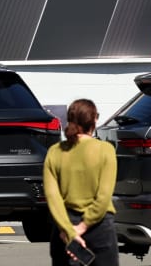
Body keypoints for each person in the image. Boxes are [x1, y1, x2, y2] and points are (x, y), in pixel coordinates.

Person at [43, 98, 118, 266]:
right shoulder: (105, 150)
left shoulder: (55, 152)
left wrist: (68, 231)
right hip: (99, 227)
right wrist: (82, 227)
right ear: (94, 120)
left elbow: (52, 196)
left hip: (63, 227)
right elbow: (104, 196)